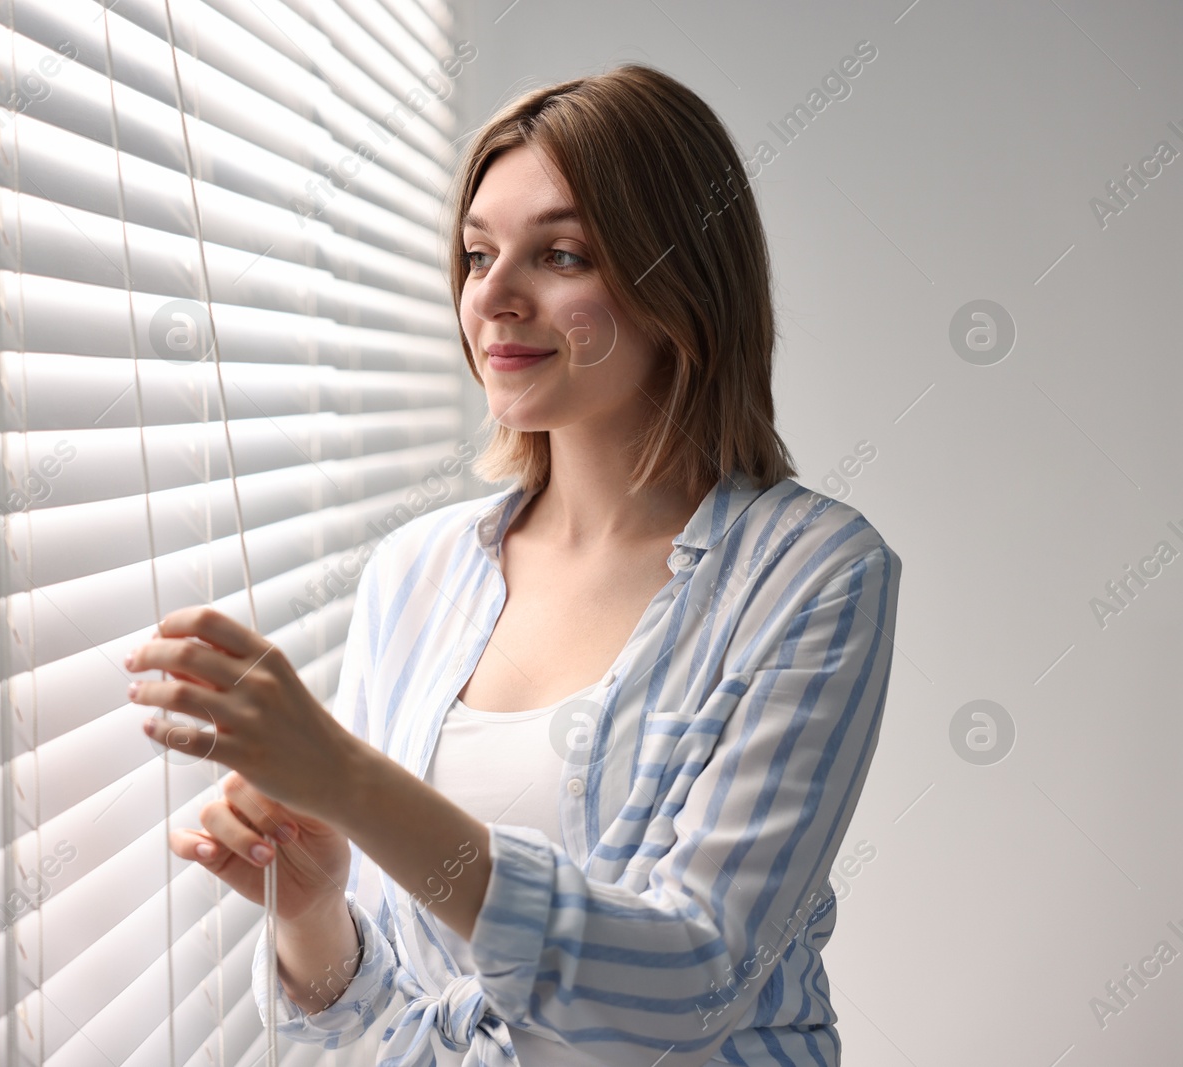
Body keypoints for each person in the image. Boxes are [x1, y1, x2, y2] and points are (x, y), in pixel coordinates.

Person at [126, 62, 902, 1067]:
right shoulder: (415, 570)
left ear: (679, 282)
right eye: (476, 252)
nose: (490, 295)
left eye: (562, 254)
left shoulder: (813, 574)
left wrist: (351, 781)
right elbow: (367, 1013)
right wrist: (312, 906)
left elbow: (691, 978)